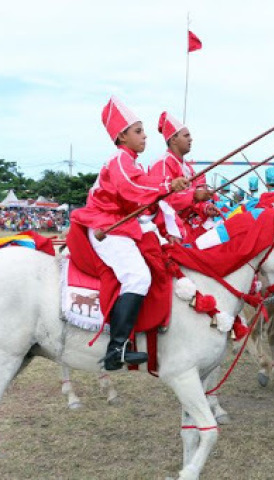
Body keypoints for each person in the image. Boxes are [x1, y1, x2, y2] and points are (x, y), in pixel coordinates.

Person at [71, 97, 189, 371]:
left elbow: (146, 185)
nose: (145, 135)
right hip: (106, 226)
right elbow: (131, 191)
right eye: (138, 131)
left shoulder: (131, 162)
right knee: (138, 277)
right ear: (122, 136)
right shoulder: (120, 160)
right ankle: (116, 349)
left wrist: (168, 186)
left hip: (121, 225)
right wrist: (167, 185)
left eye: (143, 130)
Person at [149, 111, 210, 242]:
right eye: (186, 135)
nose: (191, 139)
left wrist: (205, 207)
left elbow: (194, 199)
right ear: (173, 139)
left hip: (189, 223)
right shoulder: (162, 164)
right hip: (172, 229)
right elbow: (163, 201)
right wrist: (194, 195)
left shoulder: (187, 167)